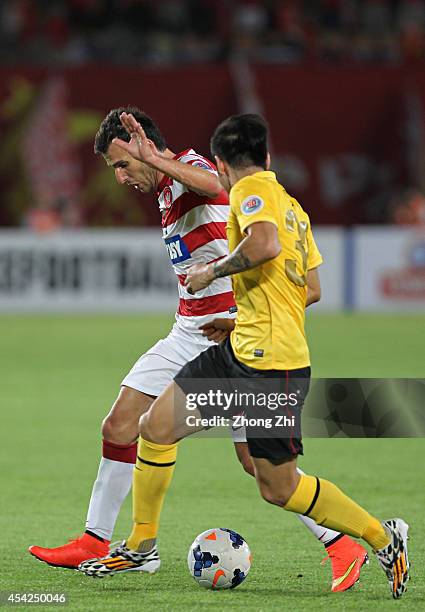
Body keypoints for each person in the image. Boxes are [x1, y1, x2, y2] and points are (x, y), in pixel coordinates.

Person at [30, 108, 366, 592]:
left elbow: (214, 188)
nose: (122, 178)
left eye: (122, 165)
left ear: (145, 146)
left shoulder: (192, 170)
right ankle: (100, 540)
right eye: (115, 171)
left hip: (231, 340)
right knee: (120, 424)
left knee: (257, 462)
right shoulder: (166, 192)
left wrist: (156, 160)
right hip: (186, 332)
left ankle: (344, 542)